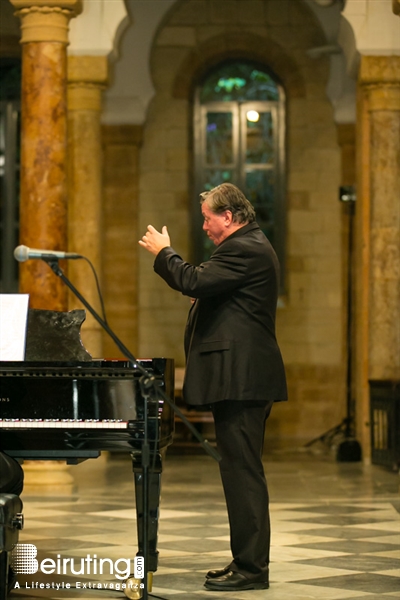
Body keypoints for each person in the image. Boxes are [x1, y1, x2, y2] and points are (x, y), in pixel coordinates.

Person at [139, 183, 287, 592]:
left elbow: (192, 279)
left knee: (243, 473)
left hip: (242, 378)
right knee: (238, 472)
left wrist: (163, 252)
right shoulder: (246, 248)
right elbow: (210, 289)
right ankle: (245, 561)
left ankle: (252, 570)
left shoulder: (245, 247)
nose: (203, 225)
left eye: (207, 217)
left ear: (229, 216)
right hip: (239, 377)